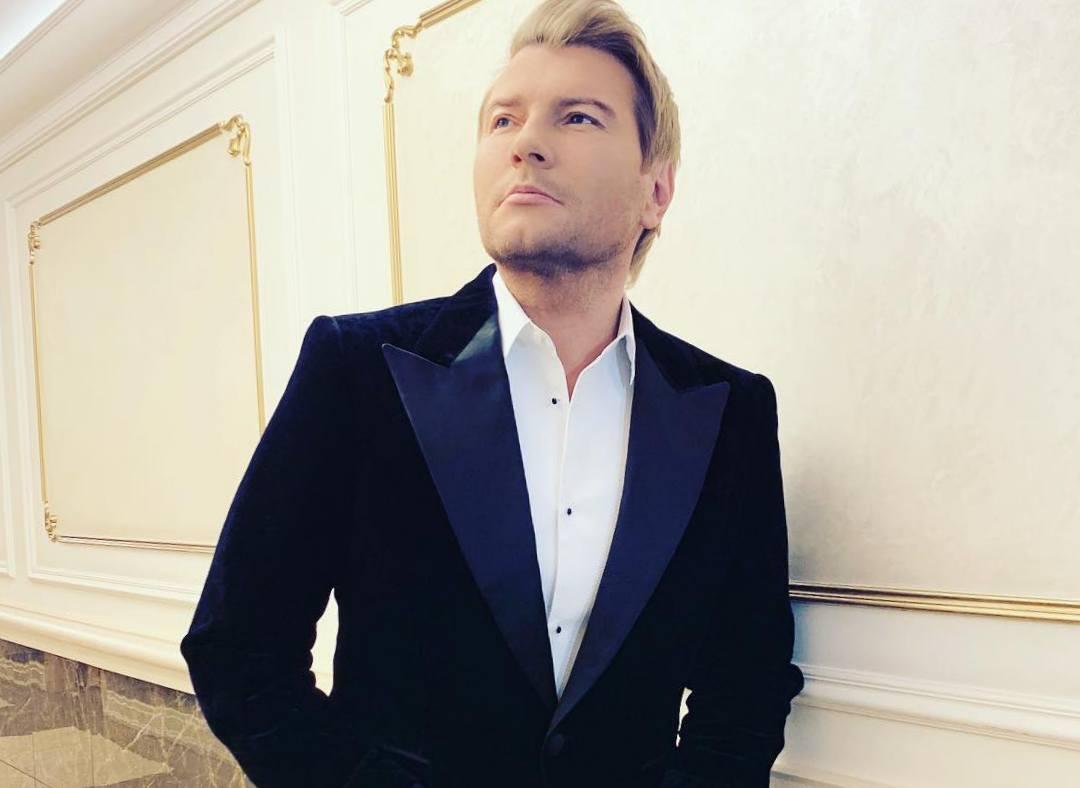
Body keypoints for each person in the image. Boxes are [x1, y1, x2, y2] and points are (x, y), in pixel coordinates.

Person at [179, 0, 805, 786]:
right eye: (502, 120)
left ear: (657, 189)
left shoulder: (728, 411)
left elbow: (745, 685)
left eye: (577, 117)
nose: (526, 143)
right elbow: (239, 647)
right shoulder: (358, 370)